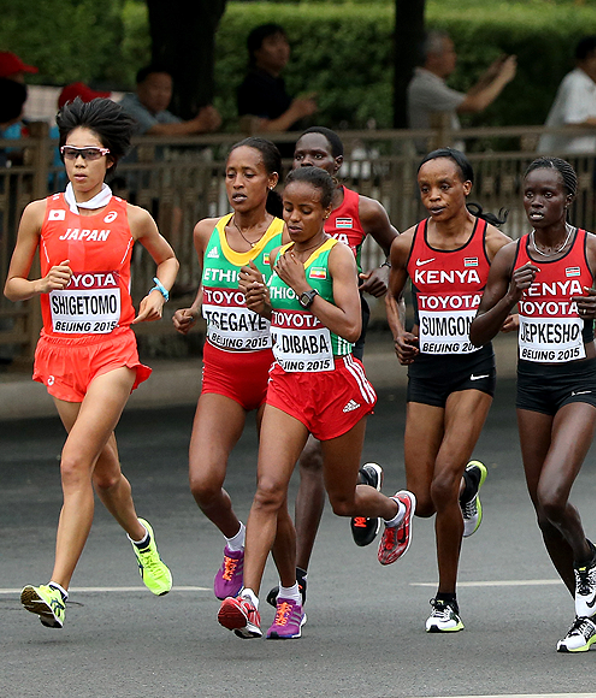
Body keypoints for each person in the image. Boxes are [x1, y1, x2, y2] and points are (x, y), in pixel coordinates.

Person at [469, 157, 596, 652]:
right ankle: (588, 613)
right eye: (530, 194)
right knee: (541, 509)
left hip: (580, 381)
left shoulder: (593, 248)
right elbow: (475, 331)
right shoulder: (510, 256)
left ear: (568, 200)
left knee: (554, 494)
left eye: (548, 195)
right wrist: (508, 299)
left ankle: (588, 558)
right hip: (533, 385)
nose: (537, 203)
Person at [5, 97, 179, 629]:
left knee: (72, 464)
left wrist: (157, 292)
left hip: (112, 352)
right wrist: (39, 283)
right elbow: (12, 286)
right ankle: (141, 538)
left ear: (110, 160)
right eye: (70, 153)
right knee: (105, 476)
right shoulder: (39, 213)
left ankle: (56, 589)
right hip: (60, 353)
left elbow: (168, 259)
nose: (78, 163)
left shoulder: (132, 217)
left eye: (89, 154)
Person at [219, 165, 414, 640]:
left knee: (343, 500)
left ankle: (393, 510)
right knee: (268, 490)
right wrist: (261, 301)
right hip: (287, 382)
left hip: (336, 385)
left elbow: (351, 326)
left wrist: (304, 290)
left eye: (305, 210)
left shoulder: (338, 256)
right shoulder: (278, 255)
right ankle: (256, 600)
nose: (293, 218)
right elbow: (274, 314)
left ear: (327, 212)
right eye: (287, 208)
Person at [384, 148, 510, 632]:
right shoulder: (407, 243)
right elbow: (392, 294)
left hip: (472, 371)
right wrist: (399, 333)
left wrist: (505, 314)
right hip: (426, 372)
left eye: (444, 187)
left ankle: (446, 600)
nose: (433, 197)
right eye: (425, 189)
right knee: (425, 498)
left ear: (466, 189)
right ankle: (466, 485)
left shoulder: (495, 243)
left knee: (440, 482)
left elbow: (519, 293)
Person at [282, 125, 399, 605]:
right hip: (292, 339)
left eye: (318, 155)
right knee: (308, 462)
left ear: (338, 164)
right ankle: (355, 491)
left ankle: (300, 572)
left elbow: (401, 252)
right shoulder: (287, 213)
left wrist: (385, 274)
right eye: (299, 154)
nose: (308, 161)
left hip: (338, 335)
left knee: (311, 457)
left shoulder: (364, 209)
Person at [171, 137, 286, 602]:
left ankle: (291, 589)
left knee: (270, 489)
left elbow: (303, 312)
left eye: (249, 174)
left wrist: (266, 306)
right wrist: (194, 309)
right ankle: (236, 538)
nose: (237, 183)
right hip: (222, 372)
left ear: (271, 181)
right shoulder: (206, 231)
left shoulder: (286, 237)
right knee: (203, 482)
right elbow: (209, 284)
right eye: (230, 174)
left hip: (278, 374)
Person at [406, 30, 517, 149]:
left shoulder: (429, 83)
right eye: (450, 52)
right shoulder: (425, 86)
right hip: (439, 162)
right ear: (432, 58)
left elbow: (465, 101)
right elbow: (476, 105)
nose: (455, 57)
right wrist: (503, 78)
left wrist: (487, 79)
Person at [537, 36, 596, 154]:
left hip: (579, 160)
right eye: (593, 57)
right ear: (580, 62)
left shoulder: (593, 87)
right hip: (561, 161)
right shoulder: (575, 82)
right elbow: (572, 120)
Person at [236, 23, 318, 134]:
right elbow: (260, 131)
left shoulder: (276, 82)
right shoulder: (254, 86)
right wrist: (295, 112)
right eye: (272, 43)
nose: (281, 49)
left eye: (284, 42)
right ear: (256, 52)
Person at [119, 65, 221, 137]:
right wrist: (200, 124)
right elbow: (157, 131)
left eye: (167, 89)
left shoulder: (159, 114)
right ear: (139, 88)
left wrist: (210, 121)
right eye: (156, 88)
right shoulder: (128, 108)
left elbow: (181, 129)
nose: (162, 94)